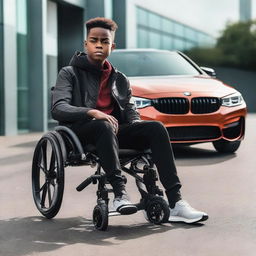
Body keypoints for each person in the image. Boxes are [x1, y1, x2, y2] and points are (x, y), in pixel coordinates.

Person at [51, 17, 208, 224]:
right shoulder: (69, 73)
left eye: (105, 41)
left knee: (156, 128)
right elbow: (59, 108)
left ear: (112, 46)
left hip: (114, 131)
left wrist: (136, 125)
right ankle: (119, 194)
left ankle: (176, 203)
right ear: (86, 44)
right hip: (82, 132)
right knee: (103, 124)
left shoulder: (119, 78)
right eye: (94, 40)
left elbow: (130, 109)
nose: (99, 44)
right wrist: (91, 112)